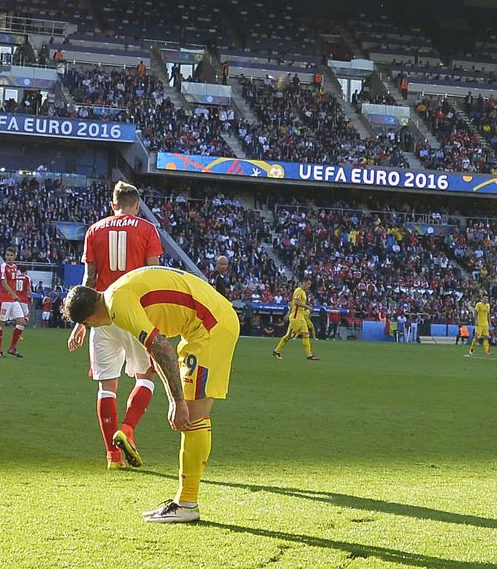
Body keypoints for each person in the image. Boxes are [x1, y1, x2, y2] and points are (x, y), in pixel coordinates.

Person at [62, 266, 240, 523]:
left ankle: (187, 503)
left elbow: (162, 348)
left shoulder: (117, 306)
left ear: (88, 321)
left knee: (193, 416)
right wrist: (173, 398)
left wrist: (177, 401)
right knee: (191, 415)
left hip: (210, 326)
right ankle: (185, 501)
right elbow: (155, 351)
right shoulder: (115, 293)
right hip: (203, 324)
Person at [71, 181, 164, 470]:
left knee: (106, 387)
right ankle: (128, 429)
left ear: (113, 205)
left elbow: (89, 278)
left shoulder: (94, 230)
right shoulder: (147, 229)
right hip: (134, 312)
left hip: (101, 312)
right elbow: (153, 274)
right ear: (137, 205)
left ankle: (113, 457)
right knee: (146, 376)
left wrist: (81, 322)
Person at [273, 277, 320, 361]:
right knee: (289, 336)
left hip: (301, 317)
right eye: (308, 284)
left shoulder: (303, 292)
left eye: (310, 284)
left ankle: (309, 355)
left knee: (306, 335)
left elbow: (293, 303)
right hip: (296, 317)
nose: (309, 286)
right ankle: (277, 351)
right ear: (304, 282)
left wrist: (288, 314)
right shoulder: (298, 291)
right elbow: (297, 302)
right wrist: (307, 307)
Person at [0, 248, 28, 357]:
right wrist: (13, 294)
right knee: (1, 323)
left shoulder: (15, 267)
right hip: (4, 299)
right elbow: (3, 283)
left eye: (11, 255)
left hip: (13, 300)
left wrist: (16, 295)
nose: (9, 257)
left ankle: (12, 348)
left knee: (21, 322)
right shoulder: (3, 266)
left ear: (15, 256)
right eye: (7, 255)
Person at [467, 291, 492, 356]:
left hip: (485, 324)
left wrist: (489, 322)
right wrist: (476, 320)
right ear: (482, 299)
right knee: (477, 337)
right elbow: (475, 312)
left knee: (486, 337)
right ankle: (471, 349)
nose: (486, 299)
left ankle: (486, 351)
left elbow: (488, 314)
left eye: (487, 298)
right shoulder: (478, 304)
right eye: (485, 298)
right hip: (479, 324)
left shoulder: (488, 305)